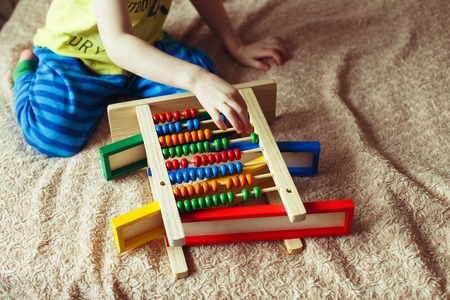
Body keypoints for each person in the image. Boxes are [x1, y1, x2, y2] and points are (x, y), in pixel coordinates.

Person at [13, 0, 289, 157]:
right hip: (76, 55)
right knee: (50, 136)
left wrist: (236, 45)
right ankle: (27, 68)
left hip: (141, 43)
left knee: (204, 99)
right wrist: (196, 79)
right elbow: (118, 43)